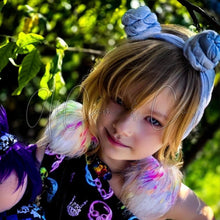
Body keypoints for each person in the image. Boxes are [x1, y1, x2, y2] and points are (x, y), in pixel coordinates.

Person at [1, 4, 218, 220]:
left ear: (178, 132)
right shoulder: (61, 151)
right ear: (103, 89)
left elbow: (204, 215)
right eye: (119, 100)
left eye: (153, 120)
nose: (123, 127)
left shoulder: (157, 196)